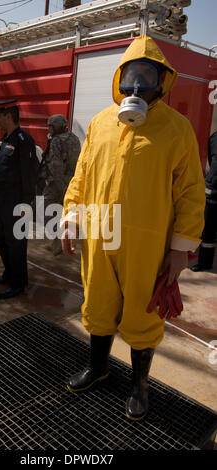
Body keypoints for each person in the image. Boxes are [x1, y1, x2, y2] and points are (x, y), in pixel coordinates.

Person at [60, 35, 205, 421]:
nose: (138, 85)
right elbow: (82, 175)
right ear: (119, 79)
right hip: (99, 234)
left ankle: (139, 385)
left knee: (143, 311)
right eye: (132, 74)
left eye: (149, 75)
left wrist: (180, 248)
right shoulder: (100, 123)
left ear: (164, 81)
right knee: (99, 302)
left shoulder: (177, 129)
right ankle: (99, 366)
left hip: (148, 243)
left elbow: (191, 191)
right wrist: (72, 218)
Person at [0, 100, 39, 300]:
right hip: (1, 198)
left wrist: (25, 204)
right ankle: (9, 273)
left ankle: (18, 283)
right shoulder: (6, 138)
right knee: (2, 239)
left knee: (16, 243)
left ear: (8, 116)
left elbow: (30, 175)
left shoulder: (23, 139)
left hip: (15, 200)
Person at [39, 114, 81, 255]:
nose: (49, 129)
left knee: (46, 210)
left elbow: (56, 166)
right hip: (71, 182)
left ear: (57, 127)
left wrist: (60, 186)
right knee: (64, 212)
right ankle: (60, 242)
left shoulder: (56, 141)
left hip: (57, 184)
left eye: (51, 126)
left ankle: (57, 242)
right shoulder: (74, 138)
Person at [191, 131, 217, 271]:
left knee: (208, 231)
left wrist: (208, 186)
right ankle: (204, 262)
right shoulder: (215, 137)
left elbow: (215, 167)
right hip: (212, 193)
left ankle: (205, 263)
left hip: (212, 194)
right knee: (208, 232)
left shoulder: (214, 137)